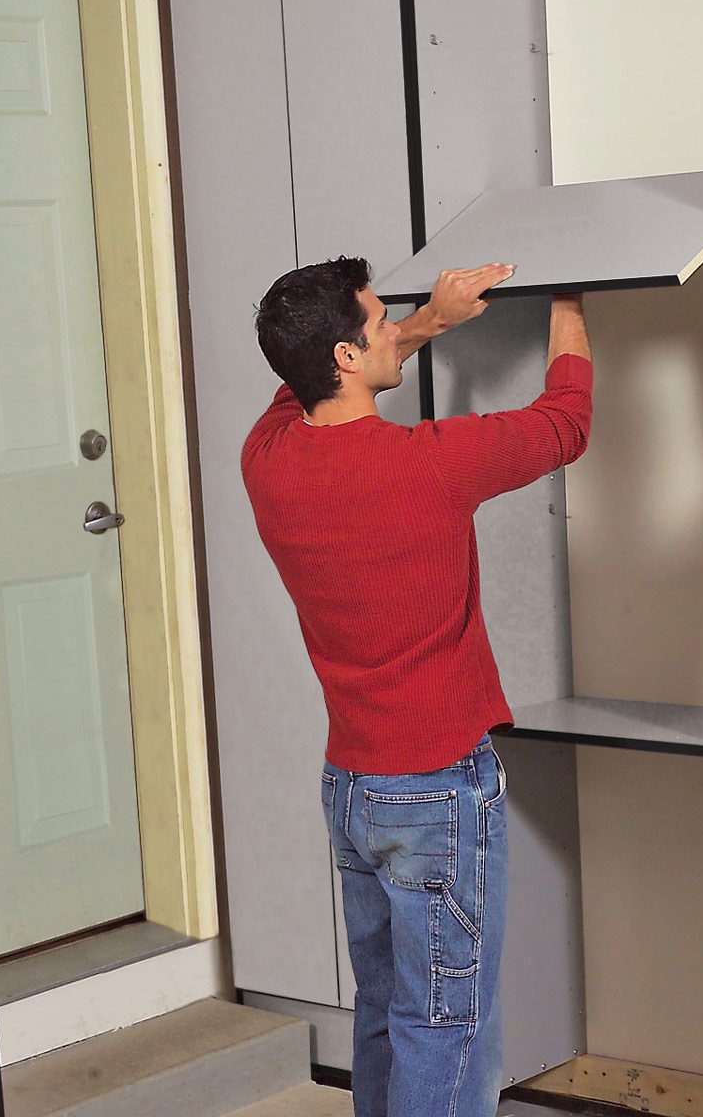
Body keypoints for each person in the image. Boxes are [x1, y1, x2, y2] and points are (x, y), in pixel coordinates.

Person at [241, 255, 593, 1117]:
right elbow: (566, 421)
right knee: (447, 1025)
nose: (394, 323)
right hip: (436, 790)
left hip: (353, 790)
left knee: (387, 1012)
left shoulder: (268, 458)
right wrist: (572, 294)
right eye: (379, 319)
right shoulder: (430, 464)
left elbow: (308, 391)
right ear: (348, 357)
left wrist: (432, 320)